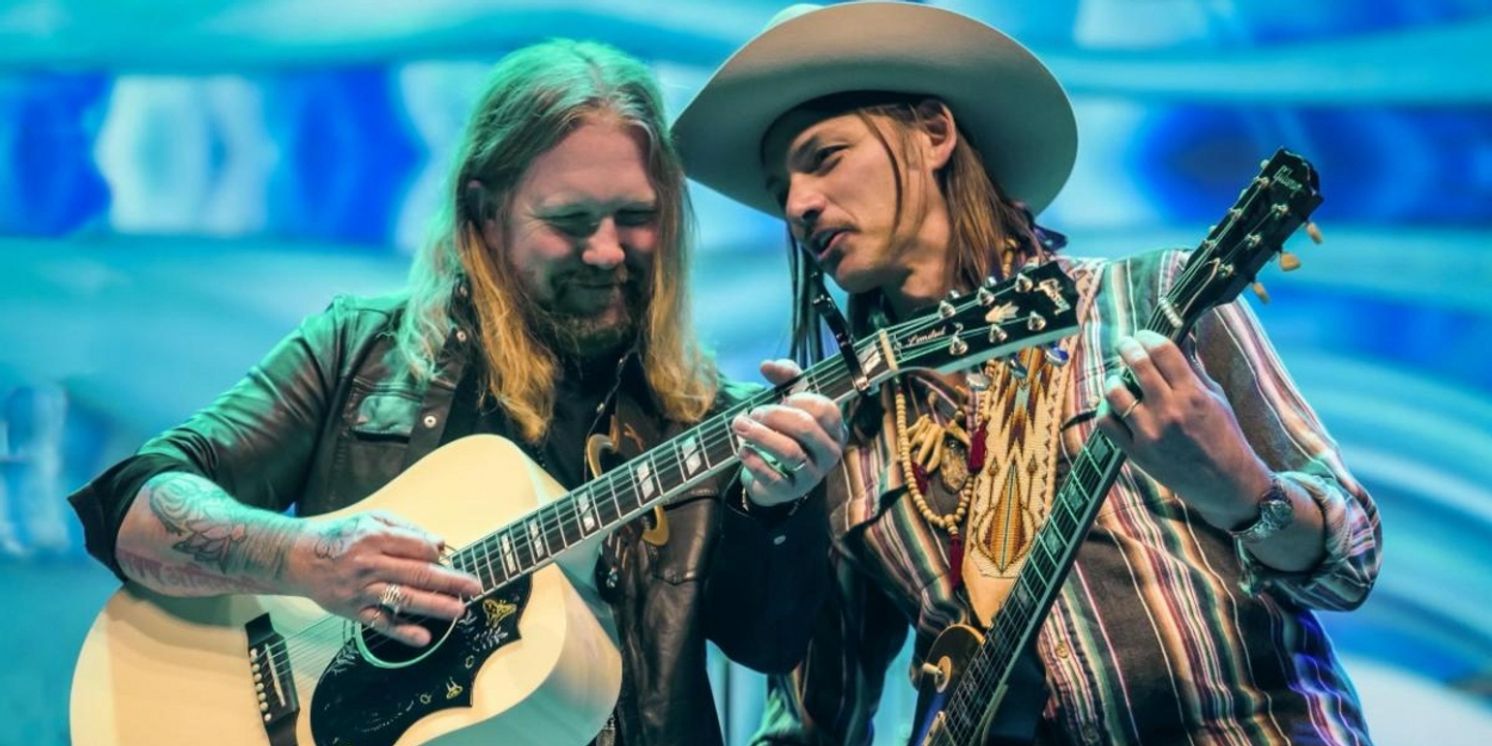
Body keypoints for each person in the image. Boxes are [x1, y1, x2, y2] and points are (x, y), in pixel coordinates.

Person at [67, 39, 845, 746]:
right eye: (570, 221)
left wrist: (781, 509)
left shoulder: (707, 422)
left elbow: (768, 643)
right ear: (485, 213)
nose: (609, 252)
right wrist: (303, 559)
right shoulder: (357, 350)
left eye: (636, 217)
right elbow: (133, 510)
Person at [676, 3, 1381, 744]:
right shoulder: (840, 435)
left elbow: (1351, 566)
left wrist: (1241, 489)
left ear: (934, 133)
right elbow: (813, 723)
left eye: (824, 157)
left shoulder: (1152, 300)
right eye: (780, 189)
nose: (798, 205)